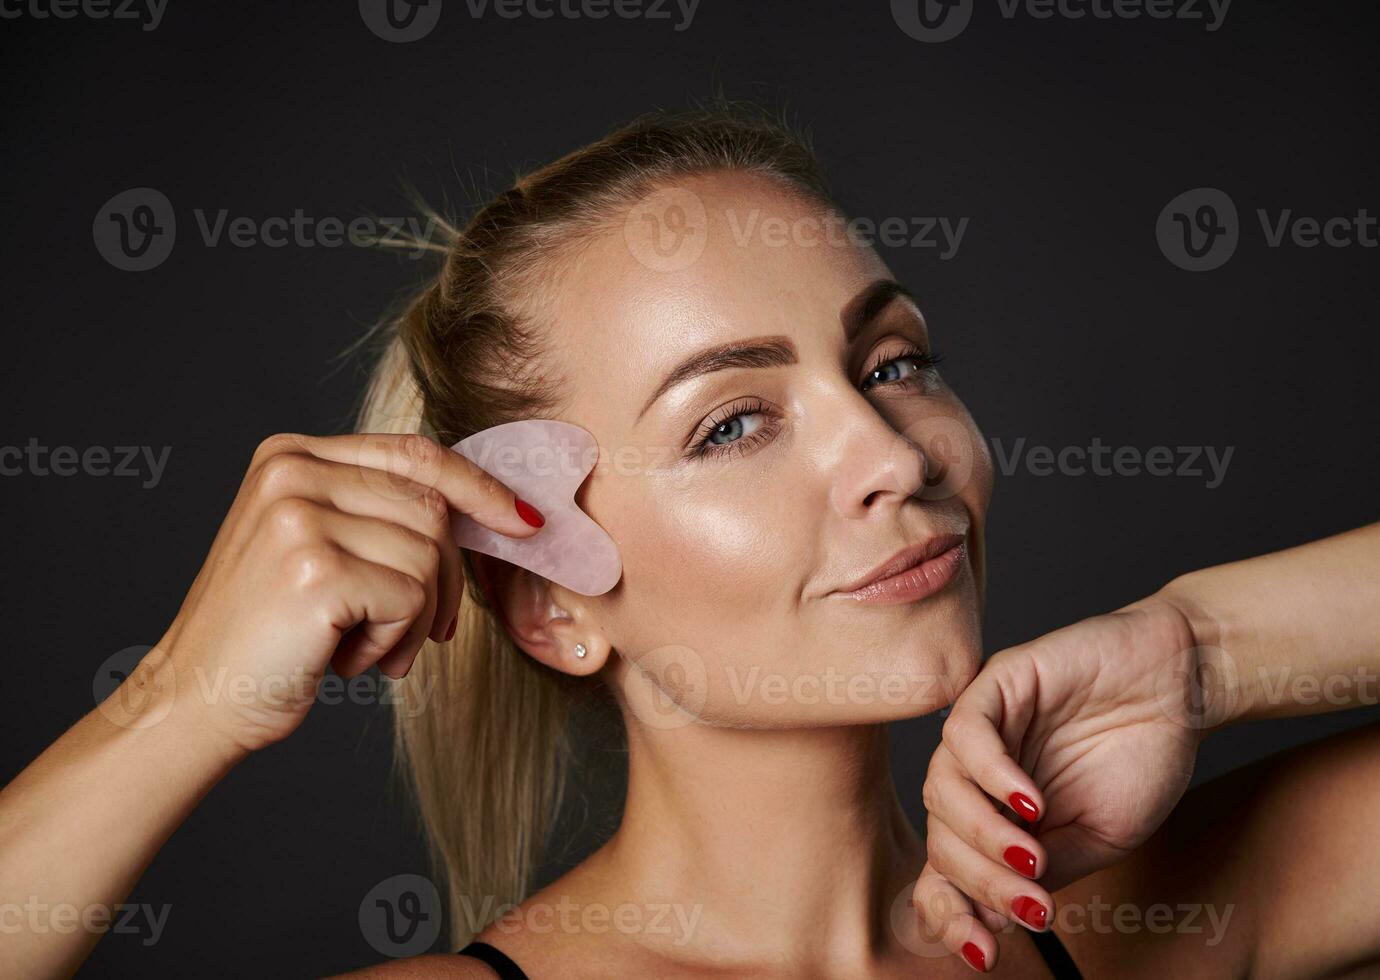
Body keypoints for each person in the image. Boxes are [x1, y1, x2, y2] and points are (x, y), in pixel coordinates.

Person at [2, 105, 1377, 979]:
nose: (894, 460)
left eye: (893, 364)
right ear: (549, 604)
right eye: (732, 424)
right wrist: (178, 705)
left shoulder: (1140, 930)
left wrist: (1198, 650)